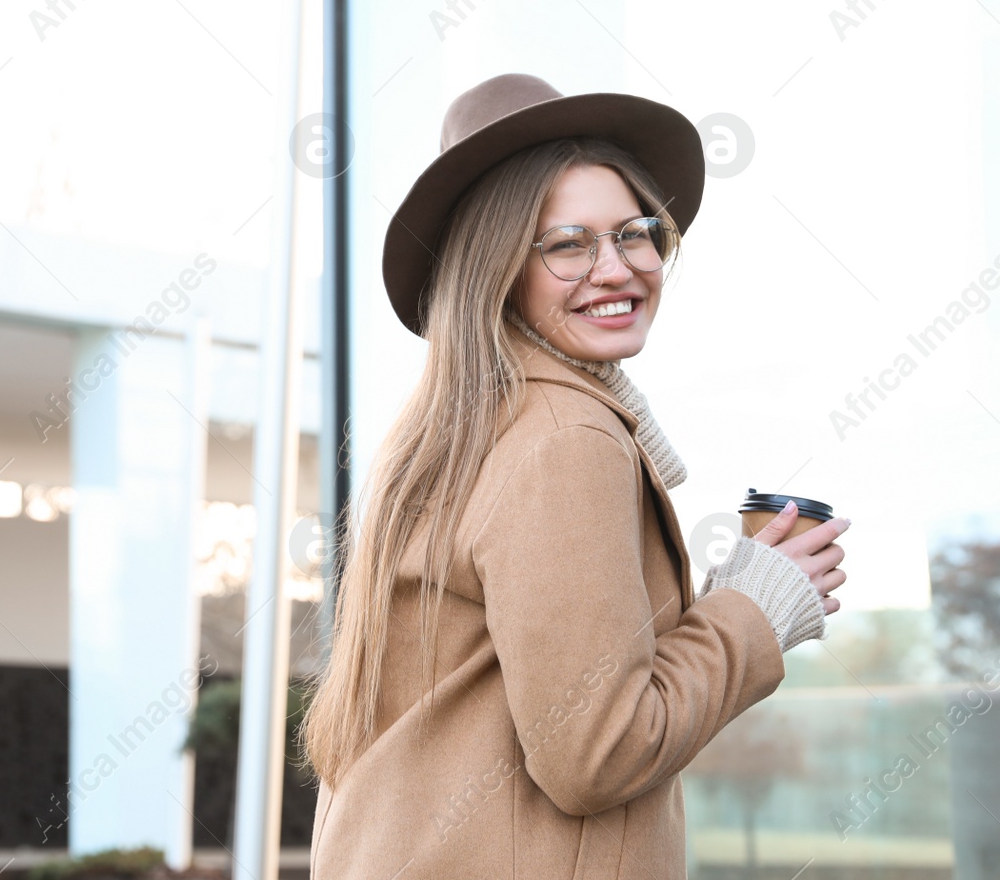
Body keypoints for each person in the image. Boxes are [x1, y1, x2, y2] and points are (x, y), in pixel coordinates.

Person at [300, 73, 851, 878]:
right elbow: (597, 750)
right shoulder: (566, 436)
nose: (618, 267)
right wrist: (754, 614)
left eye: (635, 232)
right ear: (498, 266)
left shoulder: (452, 435)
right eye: (568, 243)